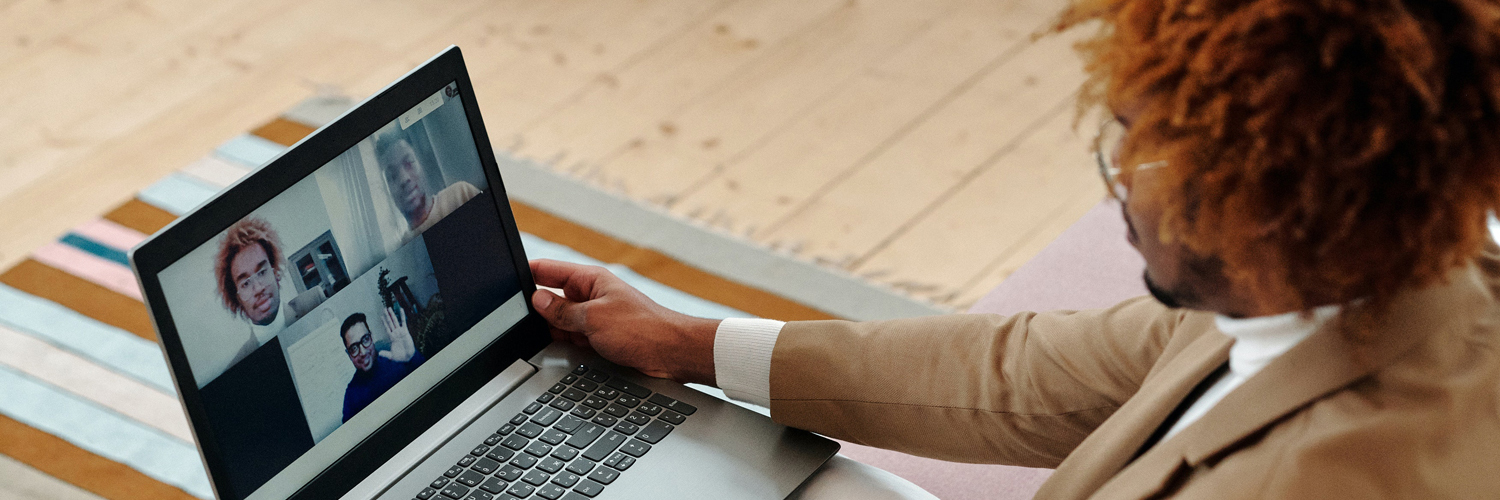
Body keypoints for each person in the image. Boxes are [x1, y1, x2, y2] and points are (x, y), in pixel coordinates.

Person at [522, 1, 1500, 498]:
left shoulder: (1313, 478)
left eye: (1143, 145)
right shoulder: (1388, 277)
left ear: (1266, 201)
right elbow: (1025, 372)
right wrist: (688, 343)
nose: (1118, 176)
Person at [212, 217, 294, 373]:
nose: (258, 289)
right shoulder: (238, 368)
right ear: (237, 299)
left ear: (275, 273)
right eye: (245, 284)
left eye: (262, 272)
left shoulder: (315, 301)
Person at [374, 130, 479, 234]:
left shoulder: (461, 195)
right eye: (392, 175)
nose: (404, 179)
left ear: (420, 163)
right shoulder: (407, 244)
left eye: (409, 162)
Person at [341, 308, 426, 422]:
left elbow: (430, 383)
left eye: (365, 339)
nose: (363, 352)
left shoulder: (398, 361)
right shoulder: (352, 396)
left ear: (371, 337)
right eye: (354, 348)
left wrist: (412, 357)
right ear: (349, 355)